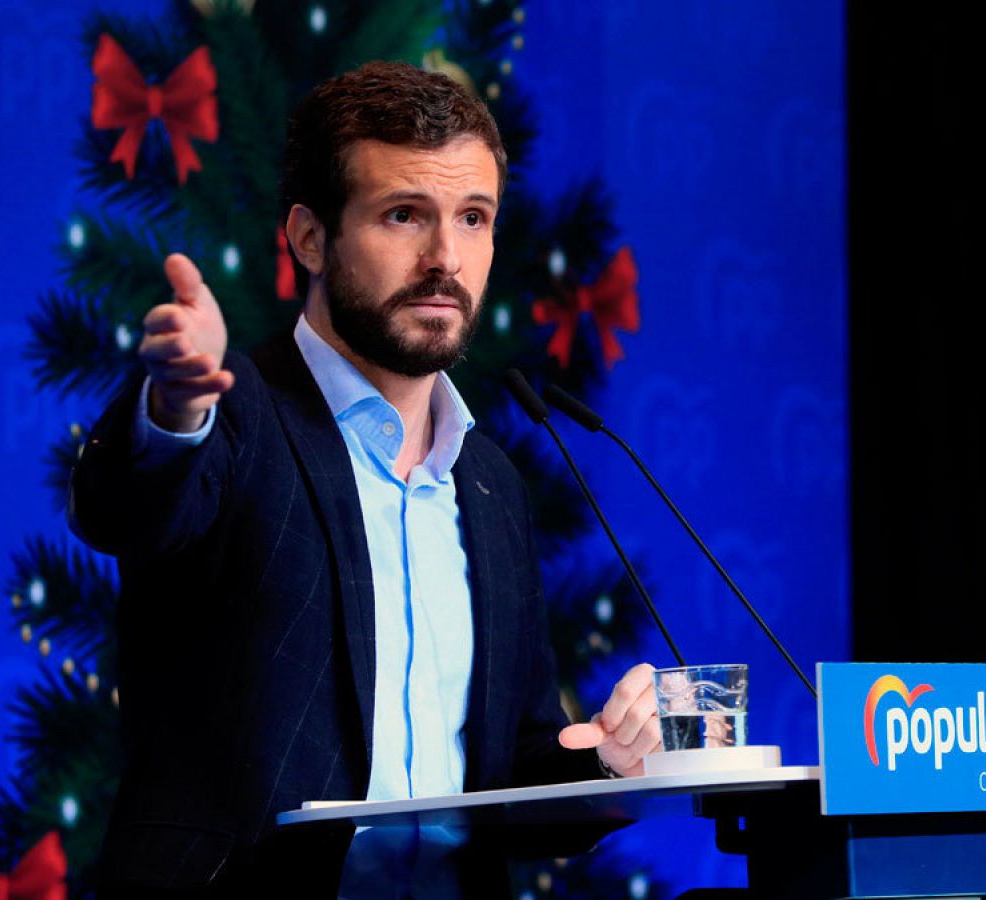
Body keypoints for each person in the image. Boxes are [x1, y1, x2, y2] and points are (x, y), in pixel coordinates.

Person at [69, 61, 660, 897]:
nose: (445, 259)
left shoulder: (489, 482)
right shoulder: (235, 419)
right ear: (310, 237)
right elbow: (130, 511)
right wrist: (174, 409)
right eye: (404, 215)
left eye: (473, 218)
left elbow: (512, 771)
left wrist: (608, 759)